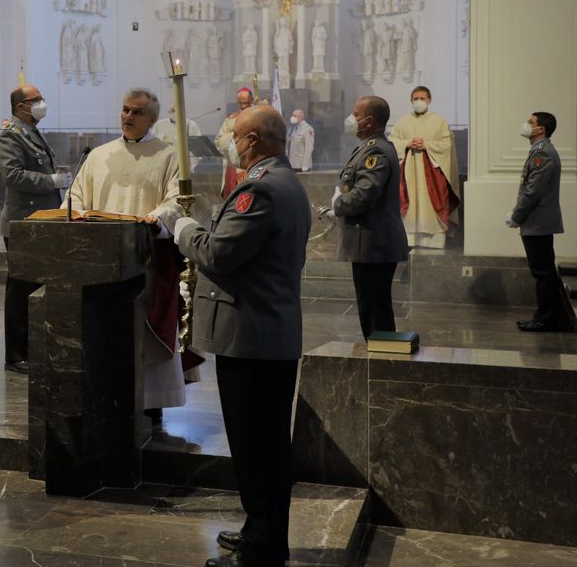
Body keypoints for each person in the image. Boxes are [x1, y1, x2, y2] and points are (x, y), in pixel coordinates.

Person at [173, 106, 310, 567]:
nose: (229, 140)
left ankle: (264, 548)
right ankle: (260, 530)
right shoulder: (284, 181)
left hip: (253, 337)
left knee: (258, 450)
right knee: (262, 446)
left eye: (234, 134)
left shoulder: (260, 188)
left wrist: (182, 227)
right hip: (264, 334)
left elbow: (219, 253)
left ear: (252, 141)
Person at [65, 88, 194, 423]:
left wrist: (156, 220)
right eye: (124, 110)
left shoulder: (169, 155)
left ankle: (150, 404)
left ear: (152, 118)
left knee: (144, 331)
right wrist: (74, 212)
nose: (128, 117)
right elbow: (76, 196)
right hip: (101, 262)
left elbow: (178, 200)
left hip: (146, 258)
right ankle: (107, 397)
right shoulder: (99, 156)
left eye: (137, 112)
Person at [0, 85, 70, 373]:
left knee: (35, 288)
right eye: (35, 100)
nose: (41, 104)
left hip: (40, 221)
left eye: (41, 98)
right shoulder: (10, 136)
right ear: (20, 107)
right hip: (22, 223)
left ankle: (34, 348)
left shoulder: (33, 133)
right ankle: (15, 355)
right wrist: (51, 181)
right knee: (20, 291)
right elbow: (13, 175)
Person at [326, 96, 408, 340]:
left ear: (369, 121)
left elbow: (365, 194)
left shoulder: (376, 150)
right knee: (372, 307)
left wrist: (338, 205)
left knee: (375, 311)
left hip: (374, 243)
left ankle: (381, 362)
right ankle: (380, 356)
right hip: (371, 243)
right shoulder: (371, 146)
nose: (351, 119)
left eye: (355, 114)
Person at [508, 112, 566, 332]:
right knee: (541, 271)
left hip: (538, 222)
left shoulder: (544, 154)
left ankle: (546, 318)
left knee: (542, 272)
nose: (526, 125)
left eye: (531, 122)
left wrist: (516, 216)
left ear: (541, 129)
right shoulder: (538, 152)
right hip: (536, 222)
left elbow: (533, 192)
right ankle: (543, 315)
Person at [388, 86, 461, 248]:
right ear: (411, 100)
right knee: (410, 206)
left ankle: (434, 240)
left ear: (429, 100)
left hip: (432, 175)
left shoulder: (439, 121)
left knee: (432, 206)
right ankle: (410, 239)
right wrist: (407, 143)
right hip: (409, 175)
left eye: (422, 98)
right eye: (415, 98)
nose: (419, 101)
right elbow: (392, 142)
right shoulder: (403, 122)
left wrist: (426, 145)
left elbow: (447, 144)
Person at [216, 87, 255, 196]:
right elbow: (219, 140)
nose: (243, 106)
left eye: (246, 103)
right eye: (241, 103)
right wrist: (234, 135)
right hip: (235, 163)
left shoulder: (258, 116)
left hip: (253, 161)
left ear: (252, 100)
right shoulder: (231, 120)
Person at [152, 102, 203, 170]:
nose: (175, 113)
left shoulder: (191, 125)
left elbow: (199, 147)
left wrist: (191, 165)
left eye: (178, 110)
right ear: (168, 112)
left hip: (186, 165)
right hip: (164, 166)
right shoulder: (159, 125)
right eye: (173, 111)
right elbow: (152, 145)